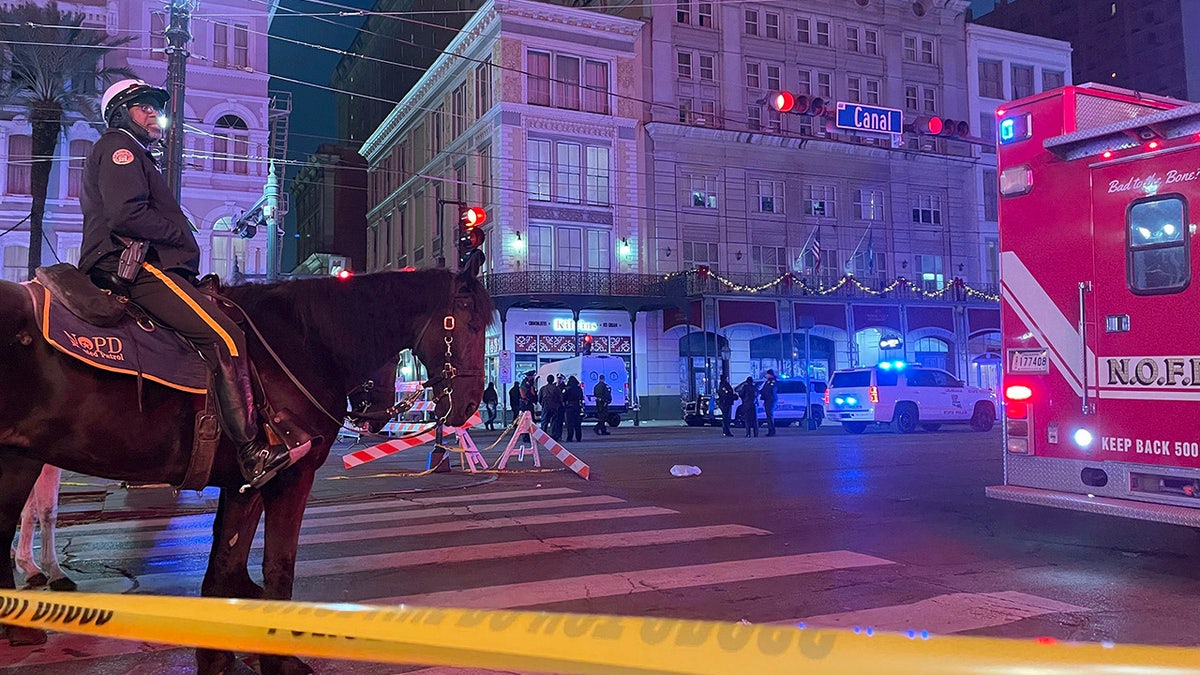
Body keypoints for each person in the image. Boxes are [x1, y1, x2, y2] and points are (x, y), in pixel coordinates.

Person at [78, 78, 309, 490]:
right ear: (119, 114)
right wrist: (181, 233)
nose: (153, 113)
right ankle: (251, 451)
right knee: (227, 335)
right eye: (143, 106)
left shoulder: (135, 153)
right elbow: (125, 216)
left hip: (139, 261)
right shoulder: (121, 149)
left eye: (154, 106)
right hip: (132, 265)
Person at [538, 375, 563, 440]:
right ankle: (554, 435)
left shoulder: (543, 388)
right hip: (554, 406)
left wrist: (542, 404)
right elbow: (560, 398)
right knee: (554, 421)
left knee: (544, 421)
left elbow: (539, 398)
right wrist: (559, 405)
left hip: (546, 406)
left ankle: (543, 435)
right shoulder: (556, 388)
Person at [563, 375, 584, 442]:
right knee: (577, 423)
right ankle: (578, 437)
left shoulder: (567, 389)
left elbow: (563, 399)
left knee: (569, 424)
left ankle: (570, 437)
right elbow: (581, 398)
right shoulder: (578, 389)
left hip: (569, 408)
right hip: (577, 407)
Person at [760, 369, 778, 437]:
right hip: (767, 400)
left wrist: (763, 393)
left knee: (769, 415)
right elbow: (763, 389)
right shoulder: (768, 381)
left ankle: (772, 431)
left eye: (767, 374)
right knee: (768, 415)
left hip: (770, 400)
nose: (766, 375)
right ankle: (770, 430)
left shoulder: (772, 381)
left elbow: (770, 390)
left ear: (770, 374)